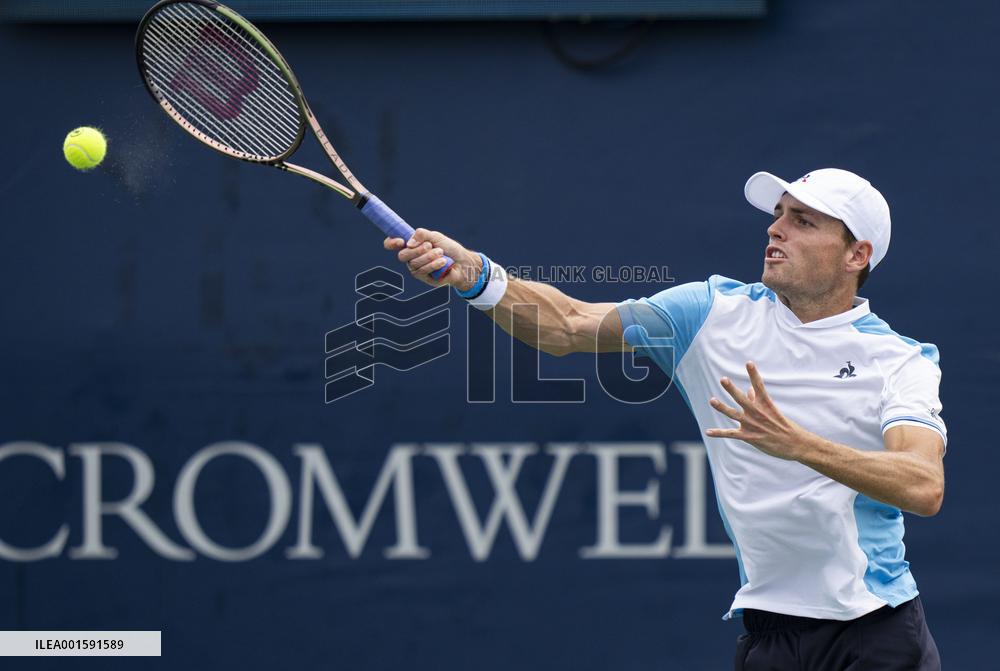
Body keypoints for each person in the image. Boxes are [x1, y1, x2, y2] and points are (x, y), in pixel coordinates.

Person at [384, 168, 945, 670]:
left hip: (874, 632)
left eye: (803, 221)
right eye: (777, 216)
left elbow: (922, 485)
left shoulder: (901, 360)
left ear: (856, 255)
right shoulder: (709, 313)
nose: (776, 230)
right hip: (771, 634)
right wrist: (477, 276)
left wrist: (800, 445)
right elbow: (569, 324)